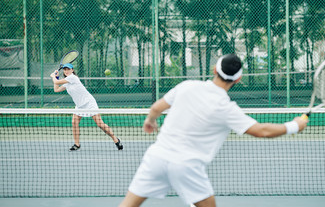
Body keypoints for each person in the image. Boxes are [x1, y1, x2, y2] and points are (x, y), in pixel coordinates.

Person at [118, 54, 308, 207]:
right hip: (187, 166)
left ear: (214, 70)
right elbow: (262, 130)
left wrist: (150, 121)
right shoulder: (226, 108)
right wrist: (294, 126)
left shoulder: (186, 86)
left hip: (156, 158)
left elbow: (156, 108)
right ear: (239, 79)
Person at [50, 63, 123, 151]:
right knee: (74, 122)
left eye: (68, 69)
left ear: (72, 70)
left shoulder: (73, 77)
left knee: (100, 124)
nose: (66, 71)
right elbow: (56, 89)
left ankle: (116, 140)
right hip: (79, 105)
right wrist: (56, 77)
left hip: (89, 103)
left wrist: (53, 76)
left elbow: (56, 82)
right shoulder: (66, 82)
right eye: (65, 69)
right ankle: (77, 144)